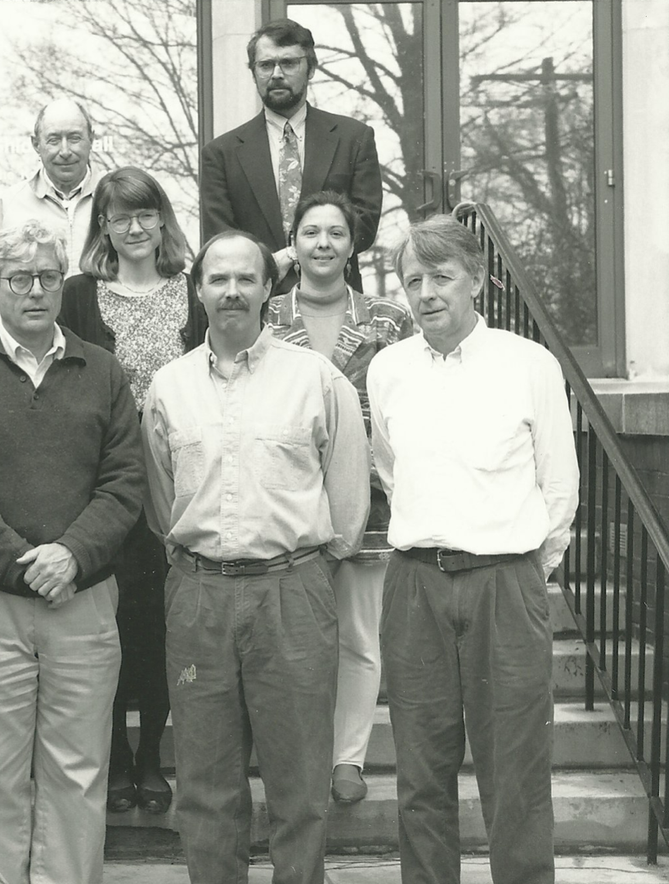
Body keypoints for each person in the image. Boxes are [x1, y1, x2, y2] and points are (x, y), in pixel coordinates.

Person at [0, 220, 144, 884]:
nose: (37, 291)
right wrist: (28, 564)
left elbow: (125, 481)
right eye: (20, 278)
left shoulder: (103, 372)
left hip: (83, 595)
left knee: (78, 769)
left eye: (49, 276)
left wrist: (71, 555)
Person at [143, 230, 370, 884]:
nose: (233, 290)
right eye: (218, 279)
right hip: (197, 597)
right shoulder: (169, 388)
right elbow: (163, 503)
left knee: (299, 783)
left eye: (247, 278)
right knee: (207, 785)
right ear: (199, 290)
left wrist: (307, 571)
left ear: (268, 289)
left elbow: (348, 500)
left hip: (293, 594)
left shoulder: (316, 380)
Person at [367, 214, 579, 884]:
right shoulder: (387, 369)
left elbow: (559, 488)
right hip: (415, 586)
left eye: (441, 276)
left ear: (477, 279)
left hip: (505, 588)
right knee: (421, 776)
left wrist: (515, 567)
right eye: (412, 280)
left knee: (515, 776)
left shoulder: (529, 365)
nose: (426, 292)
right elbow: (391, 469)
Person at [58, 166, 203, 815]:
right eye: (121, 217)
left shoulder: (193, 291)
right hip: (103, 484)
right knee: (107, 627)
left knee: (160, 628)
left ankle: (151, 759)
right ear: (104, 226)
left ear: (163, 219)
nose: (136, 227)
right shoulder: (78, 296)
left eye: (147, 214)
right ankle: (115, 756)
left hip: (176, 482)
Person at [266, 190, 413, 804]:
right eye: (310, 232)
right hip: (284, 491)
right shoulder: (265, 313)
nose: (323, 243)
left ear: (353, 246)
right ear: (292, 245)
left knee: (358, 635)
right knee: (292, 639)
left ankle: (346, 758)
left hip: (368, 492)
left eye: (335, 233)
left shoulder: (388, 318)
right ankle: (298, 754)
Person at [200, 18, 382, 294]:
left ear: (311, 69)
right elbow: (220, 239)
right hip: (254, 305)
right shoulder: (220, 154)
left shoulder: (353, 138)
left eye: (288, 63)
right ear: (253, 73)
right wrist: (267, 268)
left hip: (336, 298)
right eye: (265, 65)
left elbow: (364, 223)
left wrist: (293, 254)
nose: (276, 74)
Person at [0, 99, 98, 275]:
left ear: (91, 139)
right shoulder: (8, 204)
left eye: (74, 138)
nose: (65, 151)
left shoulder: (113, 198)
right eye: (53, 140)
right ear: (36, 144)